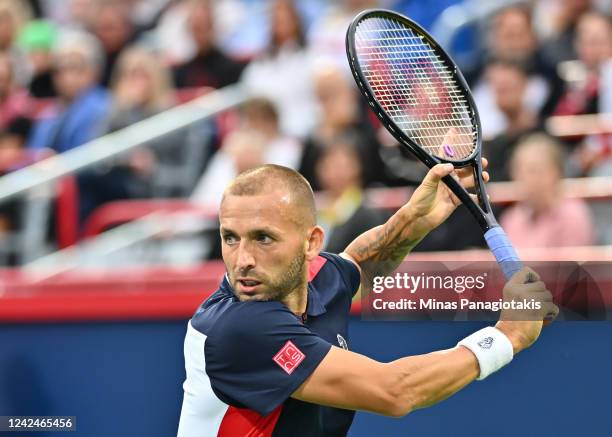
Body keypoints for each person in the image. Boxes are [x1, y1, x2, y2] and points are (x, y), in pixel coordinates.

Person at [177, 159, 558, 435]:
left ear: (311, 243)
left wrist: (415, 218)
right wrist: (508, 337)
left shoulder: (310, 280)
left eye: (263, 238)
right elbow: (396, 391)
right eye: (230, 238)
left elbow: (360, 263)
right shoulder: (240, 328)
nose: (242, 260)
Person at [500, 133, 594, 248]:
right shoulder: (511, 219)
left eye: (533, 170)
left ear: (555, 172)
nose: (523, 178)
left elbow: (572, 265)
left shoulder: (573, 215)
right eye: (519, 170)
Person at [172, 0, 245, 89]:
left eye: (205, 28)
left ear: (213, 27)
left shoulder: (230, 68)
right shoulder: (182, 73)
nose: (201, 35)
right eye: (196, 29)